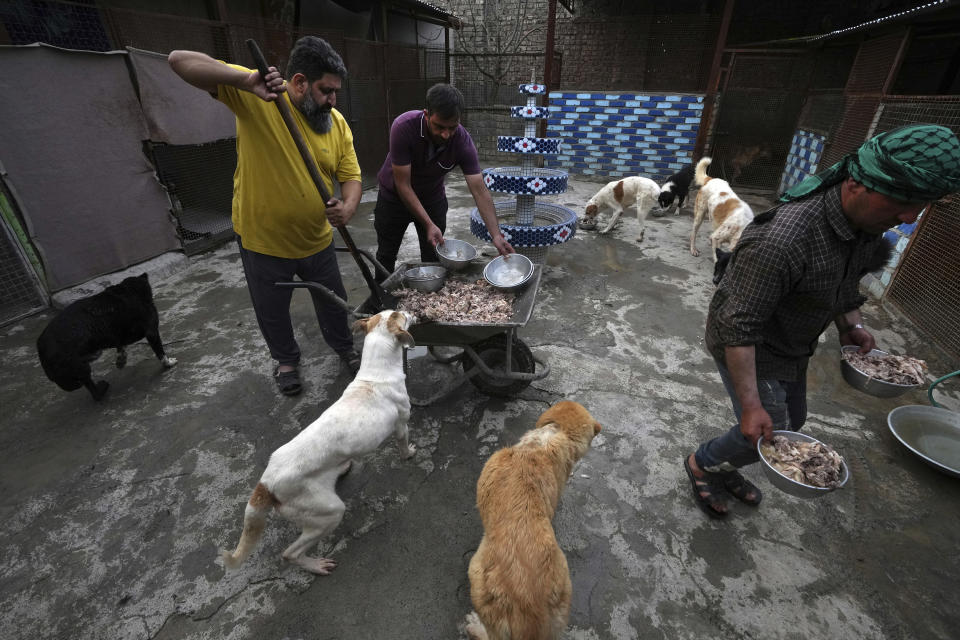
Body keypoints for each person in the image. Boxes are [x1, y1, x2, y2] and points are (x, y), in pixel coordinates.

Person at [683, 124, 960, 518]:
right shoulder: (782, 240)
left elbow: (845, 284)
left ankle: (725, 464)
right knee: (766, 430)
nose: (908, 216)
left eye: (921, 206)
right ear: (857, 185)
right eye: (901, 201)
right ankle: (702, 464)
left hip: (794, 344)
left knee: (793, 420)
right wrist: (749, 404)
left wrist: (852, 327)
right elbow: (737, 328)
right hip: (750, 345)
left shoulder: (863, 227)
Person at [168, 37, 362, 396]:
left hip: (316, 239)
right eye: (326, 90)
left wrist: (347, 206)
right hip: (263, 241)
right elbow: (179, 59)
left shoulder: (336, 124)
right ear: (300, 82)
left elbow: (350, 176)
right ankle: (286, 360)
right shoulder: (258, 96)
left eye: (336, 91)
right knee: (271, 309)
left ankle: (344, 348)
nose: (333, 99)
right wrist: (243, 81)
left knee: (334, 301)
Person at [373, 83, 514, 276]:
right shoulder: (403, 127)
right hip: (394, 199)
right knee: (386, 256)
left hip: (432, 199)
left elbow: (479, 190)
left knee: (433, 257)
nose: (446, 134)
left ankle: (429, 301)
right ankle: (379, 304)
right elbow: (403, 185)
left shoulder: (462, 142)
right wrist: (428, 223)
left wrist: (496, 236)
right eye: (439, 127)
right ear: (426, 114)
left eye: (452, 128)